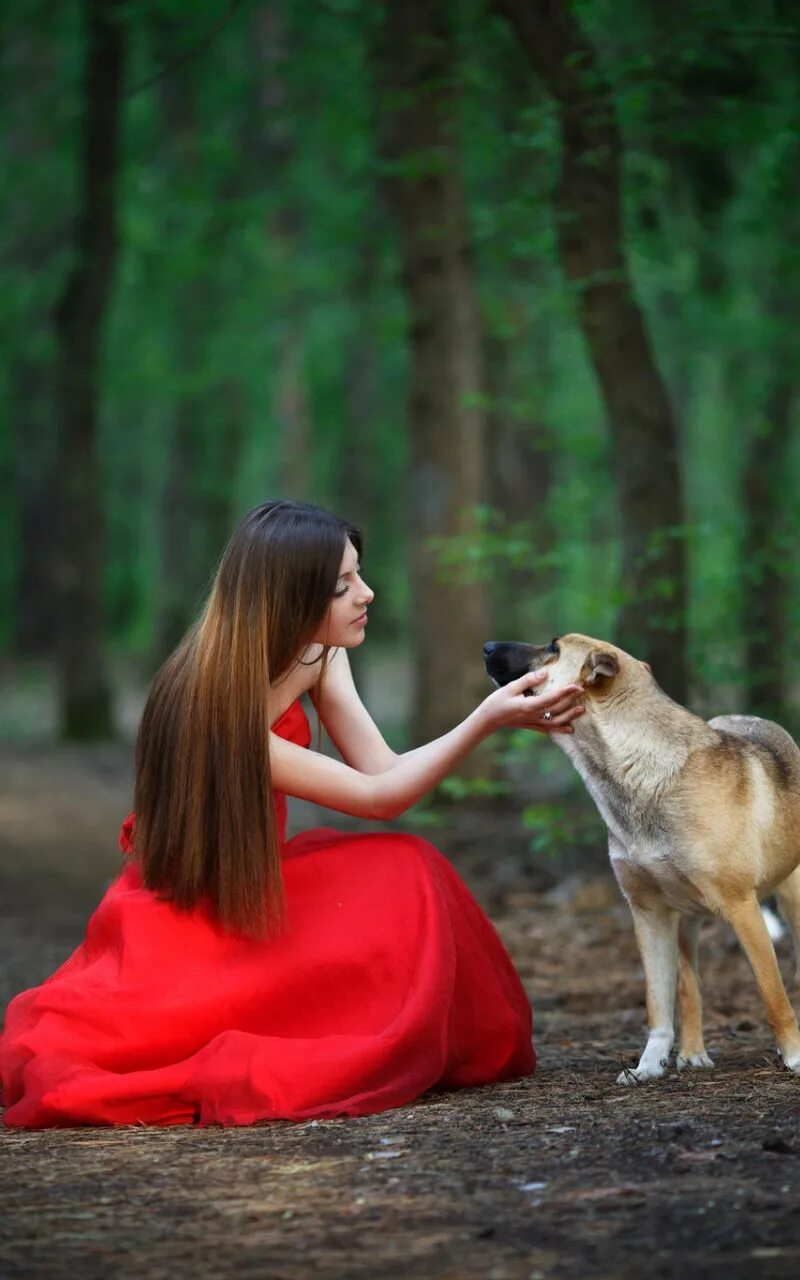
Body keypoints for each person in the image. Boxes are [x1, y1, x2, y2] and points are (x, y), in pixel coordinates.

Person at [0, 500, 584, 1128]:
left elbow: (382, 771)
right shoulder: (219, 708)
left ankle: (434, 1038)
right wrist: (488, 718)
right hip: (195, 910)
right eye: (342, 586)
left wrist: (487, 717)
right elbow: (383, 801)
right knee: (401, 873)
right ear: (287, 598)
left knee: (409, 867)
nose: (367, 593)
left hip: (258, 879)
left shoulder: (318, 654)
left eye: (359, 573)